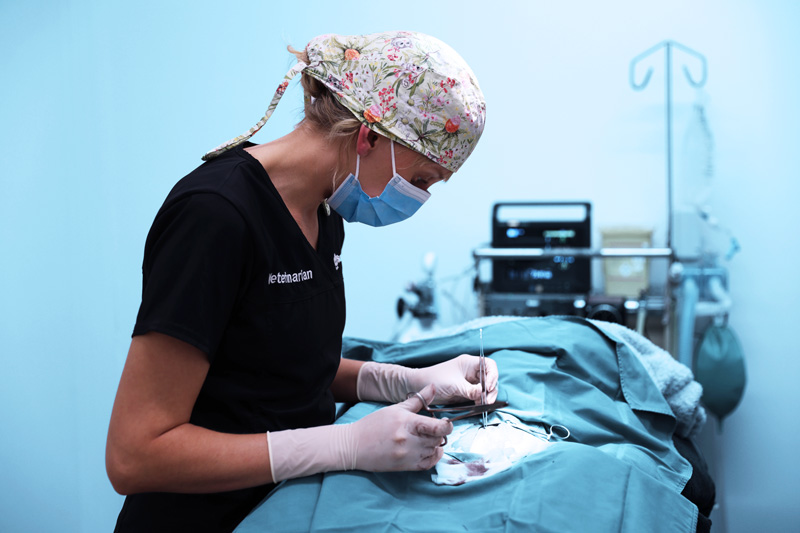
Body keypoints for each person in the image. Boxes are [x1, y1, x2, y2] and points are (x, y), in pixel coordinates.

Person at [106, 30, 492, 532]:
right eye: (419, 181)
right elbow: (134, 456)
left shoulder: (324, 209)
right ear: (369, 137)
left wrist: (407, 380)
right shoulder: (215, 216)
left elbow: (277, 364)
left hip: (289, 506)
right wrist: (344, 445)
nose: (416, 199)